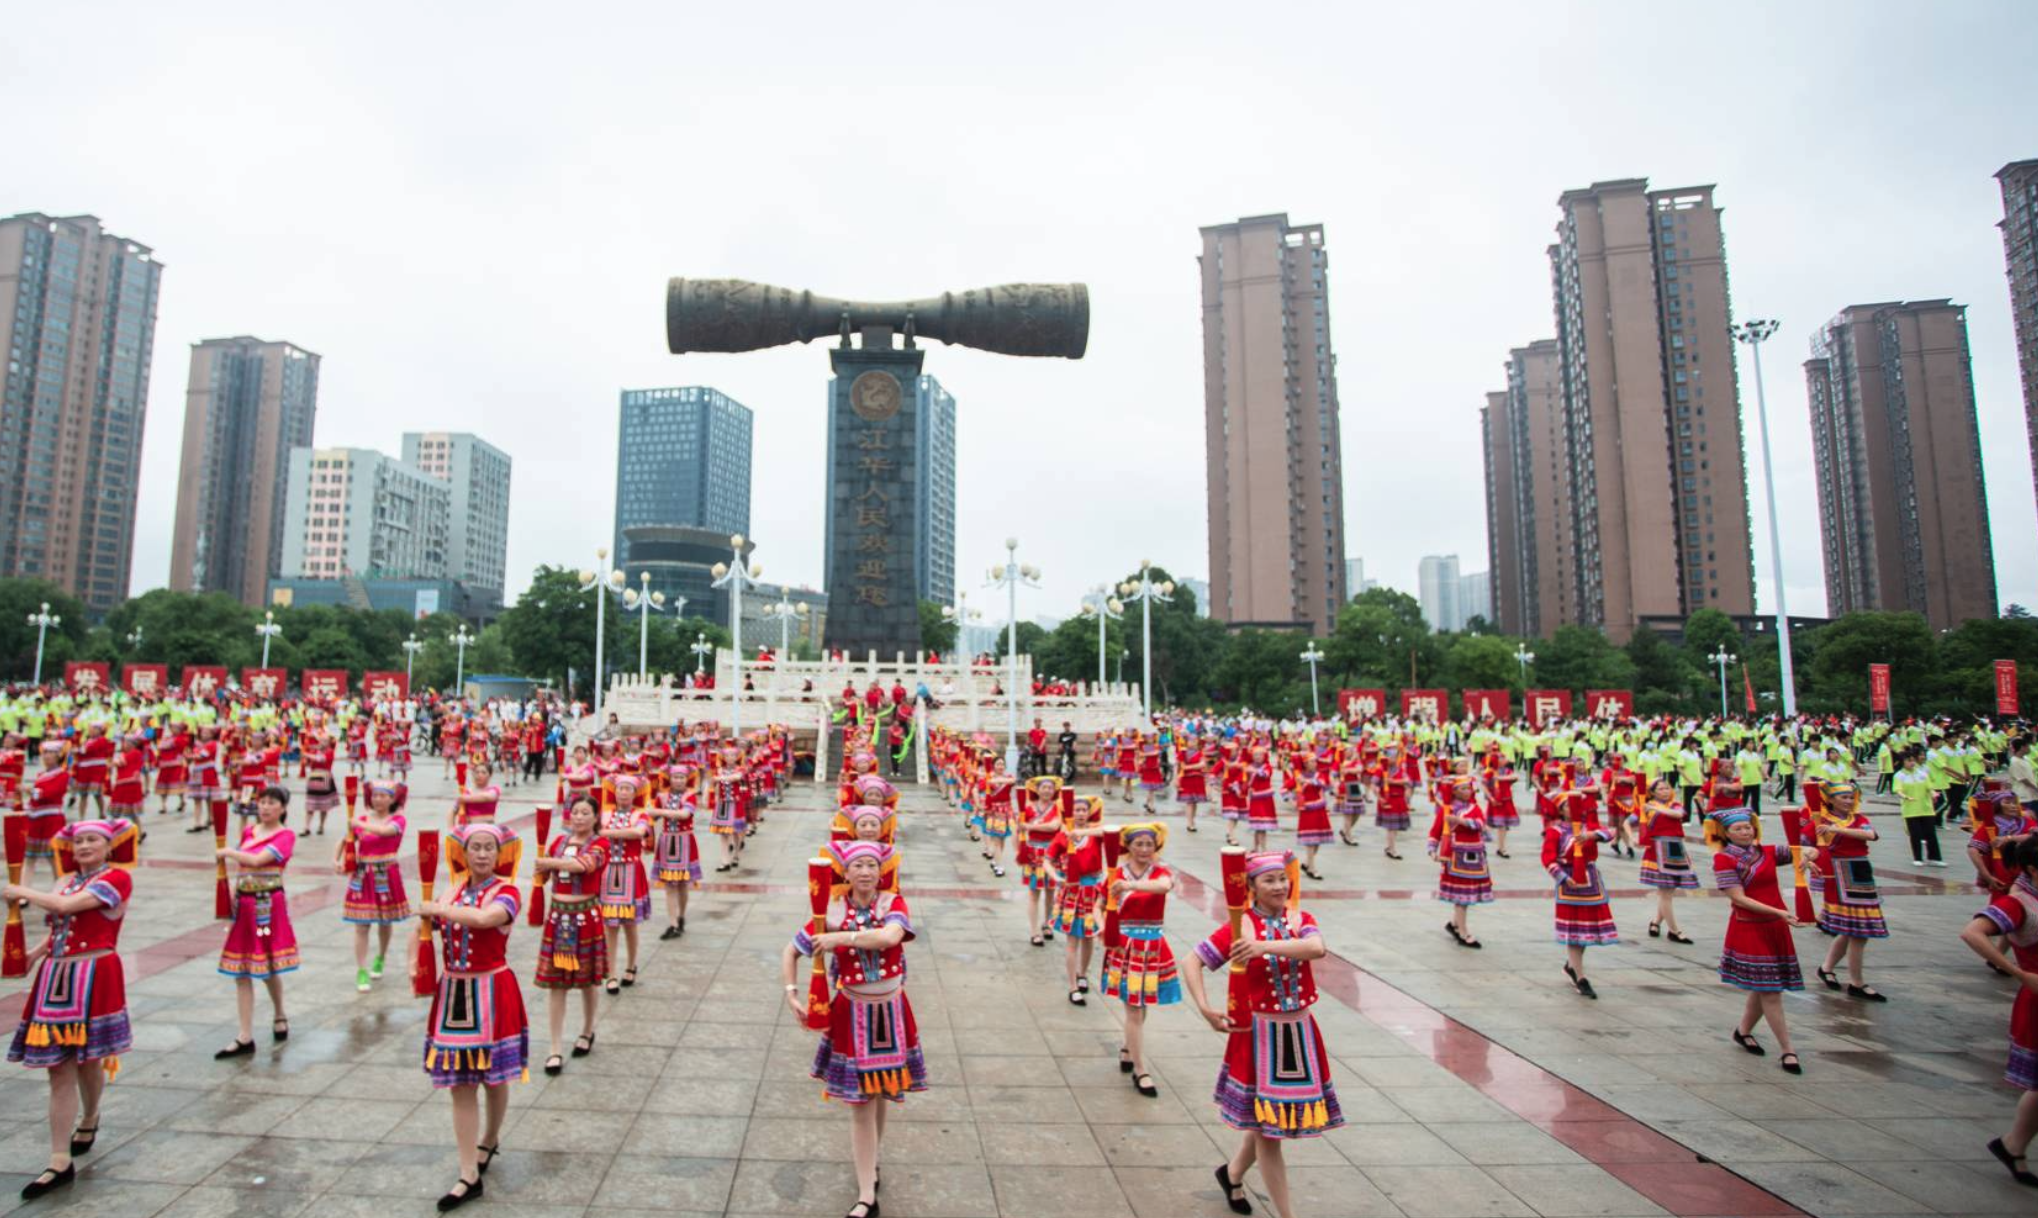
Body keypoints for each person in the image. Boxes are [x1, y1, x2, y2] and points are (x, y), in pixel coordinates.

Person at [1179, 851, 1343, 1218]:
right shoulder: (1240, 927)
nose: (1280, 886)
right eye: (1269, 881)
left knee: (1266, 1122)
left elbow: (1316, 948)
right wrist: (1205, 1009)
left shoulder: (1301, 918)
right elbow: (1192, 961)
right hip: (1258, 1036)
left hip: (1299, 1031)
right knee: (1269, 1132)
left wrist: (1263, 947)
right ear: (1250, 887)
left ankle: (1232, 1174)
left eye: (1282, 879)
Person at [780, 840, 925, 1218]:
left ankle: (870, 1165)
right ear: (844, 873)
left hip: (891, 1011)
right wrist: (792, 993)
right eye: (857, 865)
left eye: (871, 866)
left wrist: (840, 937)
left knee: (879, 1096)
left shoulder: (893, 904)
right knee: (861, 1103)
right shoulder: (829, 911)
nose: (865, 872)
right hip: (853, 1013)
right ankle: (866, 1195)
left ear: (881, 872)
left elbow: (890, 938)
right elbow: (792, 949)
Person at [4, 820, 135, 1201]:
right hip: (57, 973)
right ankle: (59, 1159)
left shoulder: (116, 880)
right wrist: (31, 955)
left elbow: (66, 907)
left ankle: (91, 1116)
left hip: (95, 973)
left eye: (92, 839)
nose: (84, 846)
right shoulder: (65, 880)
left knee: (88, 1059)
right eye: (78, 841)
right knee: (58, 1066)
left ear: (108, 846)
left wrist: (20, 891)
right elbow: (59, 925)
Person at [420, 822, 527, 1212]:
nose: (481, 854)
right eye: (474, 848)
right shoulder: (451, 889)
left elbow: (484, 920)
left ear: (500, 855)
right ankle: (468, 1173)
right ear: (462, 853)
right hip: (453, 993)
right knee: (461, 1084)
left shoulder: (508, 891)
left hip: (492, 991)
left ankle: (491, 1137)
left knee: (494, 1077)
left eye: (488, 848)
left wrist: (439, 909)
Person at [1958, 835, 2038, 1187]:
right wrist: (2019, 972)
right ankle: (2013, 1145)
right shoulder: (2019, 903)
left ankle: (2013, 1145)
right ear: (2033, 868)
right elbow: (1973, 933)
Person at [1712, 807, 1807, 1074]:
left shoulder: (1767, 852)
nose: (1745, 832)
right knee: (1770, 990)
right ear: (1726, 833)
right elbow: (1738, 898)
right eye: (1738, 829)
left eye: (1748, 827)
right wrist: (1779, 912)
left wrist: (1808, 853)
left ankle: (1743, 1031)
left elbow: (1803, 847)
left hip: (1776, 925)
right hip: (1750, 927)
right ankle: (1788, 1049)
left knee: (1765, 984)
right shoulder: (1723, 859)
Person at [215, 784, 299, 1056]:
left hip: (267, 905)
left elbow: (256, 860)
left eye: (272, 803)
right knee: (240, 970)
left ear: (283, 808)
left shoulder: (285, 836)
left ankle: (279, 1012)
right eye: (262, 802)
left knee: (268, 966)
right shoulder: (249, 832)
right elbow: (242, 869)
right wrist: (229, 900)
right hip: (245, 904)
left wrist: (227, 851)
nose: (265, 807)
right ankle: (245, 1034)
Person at [1104, 823, 1179, 1098]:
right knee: (1134, 1008)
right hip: (1126, 946)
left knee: (1142, 1003)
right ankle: (1140, 1068)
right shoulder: (1115, 875)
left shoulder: (1160, 873)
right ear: (1128, 846)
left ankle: (1127, 1048)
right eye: (1139, 844)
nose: (1145, 849)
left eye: (1150, 844)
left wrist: (1131, 885)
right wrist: (1105, 926)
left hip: (1153, 944)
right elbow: (1102, 906)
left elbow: (1163, 887)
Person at [533, 794, 607, 1074]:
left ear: (595, 817)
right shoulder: (557, 843)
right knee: (557, 984)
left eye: (585, 812)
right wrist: (541, 870)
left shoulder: (601, 844)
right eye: (575, 812)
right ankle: (554, 1048)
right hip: (558, 917)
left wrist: (550, 863)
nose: (579, 817)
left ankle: (587, 1030)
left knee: (588, 981)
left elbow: (583, 865)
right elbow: (546, 875)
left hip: (586, 917)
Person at [1809, 783, 1887, 1000]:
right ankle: (1856, 982)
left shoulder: (1857, 819)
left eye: (1851, 797)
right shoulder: (1821, 821)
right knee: (1857, 931)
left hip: (1860, 869)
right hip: (1839, 873)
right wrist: (1809, 861)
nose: (1848, 801)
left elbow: (1871, 835)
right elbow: (1806, 844)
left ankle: (1826, 968)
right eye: (1843, 797)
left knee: (1852, 929)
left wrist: (1836, 830)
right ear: (1831, 800)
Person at [337, 779, 411, 992]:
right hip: (363, 874)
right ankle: (361, 969)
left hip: (386, 873)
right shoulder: (361, 819)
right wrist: (337, 859)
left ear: (392, 799)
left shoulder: (397, 820)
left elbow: (385, 832)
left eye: (383, 795)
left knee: (384, 921)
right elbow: (345, 841)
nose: (378, 799)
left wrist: (359, 824)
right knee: (361, 925)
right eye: (375, 795)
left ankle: (381, 955)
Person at [1544, 793, 1617, 998]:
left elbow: (1610, 832)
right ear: (1560, 810)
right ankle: (1581, 976)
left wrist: (1592, 836)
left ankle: (1572, 965)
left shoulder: (1589, 826)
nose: (1573, 809)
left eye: (1576, 806)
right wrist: (1561, 876)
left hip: (1590, 880)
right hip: (1569, 882)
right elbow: (1548, 857)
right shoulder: (1555, 831)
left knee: (1585, 928)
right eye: (1568, 806)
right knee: (1574, 929)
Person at [599, 774, 651, 993]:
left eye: (628, 789)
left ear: (635, 793)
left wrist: (605, 833)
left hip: (631, 871)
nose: (623, 793)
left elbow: (638, 832)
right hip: (608, 871)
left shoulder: (641, 814)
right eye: (620, 789)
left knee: (630, 923)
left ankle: (631, 965)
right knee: (609, 925)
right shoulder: (604, 813)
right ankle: (610, 972)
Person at [1053, 795, 1108, 1004]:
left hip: (1093, 890)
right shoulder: (1062, 835)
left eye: (1084, 810)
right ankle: (1072, 986)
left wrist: (1082, 831)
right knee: (1072, 941)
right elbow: (1050, 858)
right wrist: (1055, 876)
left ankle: (1082, 973)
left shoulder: (1095, 834)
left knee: (1089, 937)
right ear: (1069, 813)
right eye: (1076, 810)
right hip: (1073, 891)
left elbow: (1111, 832)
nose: (1080, 814)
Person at [1431, 776, 1492, 949]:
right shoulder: (1446, 810)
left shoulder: (1475, 808)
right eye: (1463, 788)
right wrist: (1432, 850)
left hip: (1475, 857)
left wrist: (1460, 821)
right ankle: (1463, 932)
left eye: (1469, 788)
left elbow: (1480, 823)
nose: (1468, 791)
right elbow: (1435, 831)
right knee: (1461, 898)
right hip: (1455, 857)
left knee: (1465, 896)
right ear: (1454, 791)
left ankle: (1455, 923)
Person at [1637, 777, 1697, 942]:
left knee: (1668, 892)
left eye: (1667, 788)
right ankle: (1674, 931)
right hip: (1658, 850)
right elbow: (1635, 821)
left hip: (1676, 848)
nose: (1665, 791)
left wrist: (1656, 808)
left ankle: (1656, 922)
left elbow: (1679, 814)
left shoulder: (1673, 805)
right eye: (1661, 789)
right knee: (1665, 893)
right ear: (1653, 792)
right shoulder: (1647, 807)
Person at [652, 765, 703, 939]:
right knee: (669, 885)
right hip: (667, 841)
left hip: (684, 841)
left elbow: (684, 814)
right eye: (676, 777)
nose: (679, 780)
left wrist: (658, 811)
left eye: (682, 777)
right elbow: (651, 816)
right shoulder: (661, 796)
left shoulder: (690, 795)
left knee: (681, 884)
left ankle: (681, 916)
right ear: (670, 779)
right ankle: (673, 924)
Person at [1895, 750, 1944, 866]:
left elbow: (1929, 787)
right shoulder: (1899, 775)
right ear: (1903, 762)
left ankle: (1935, 858)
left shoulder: (1922, 773)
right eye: (1908, 761)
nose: (1912, 763)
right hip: (1910, 810)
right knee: (1915, 834)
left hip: (1926, 808)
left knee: (1930, 834)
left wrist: (1934, 794)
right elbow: (1898, 790)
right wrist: (1904, 796)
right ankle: (1918, 858)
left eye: (1913, 760)